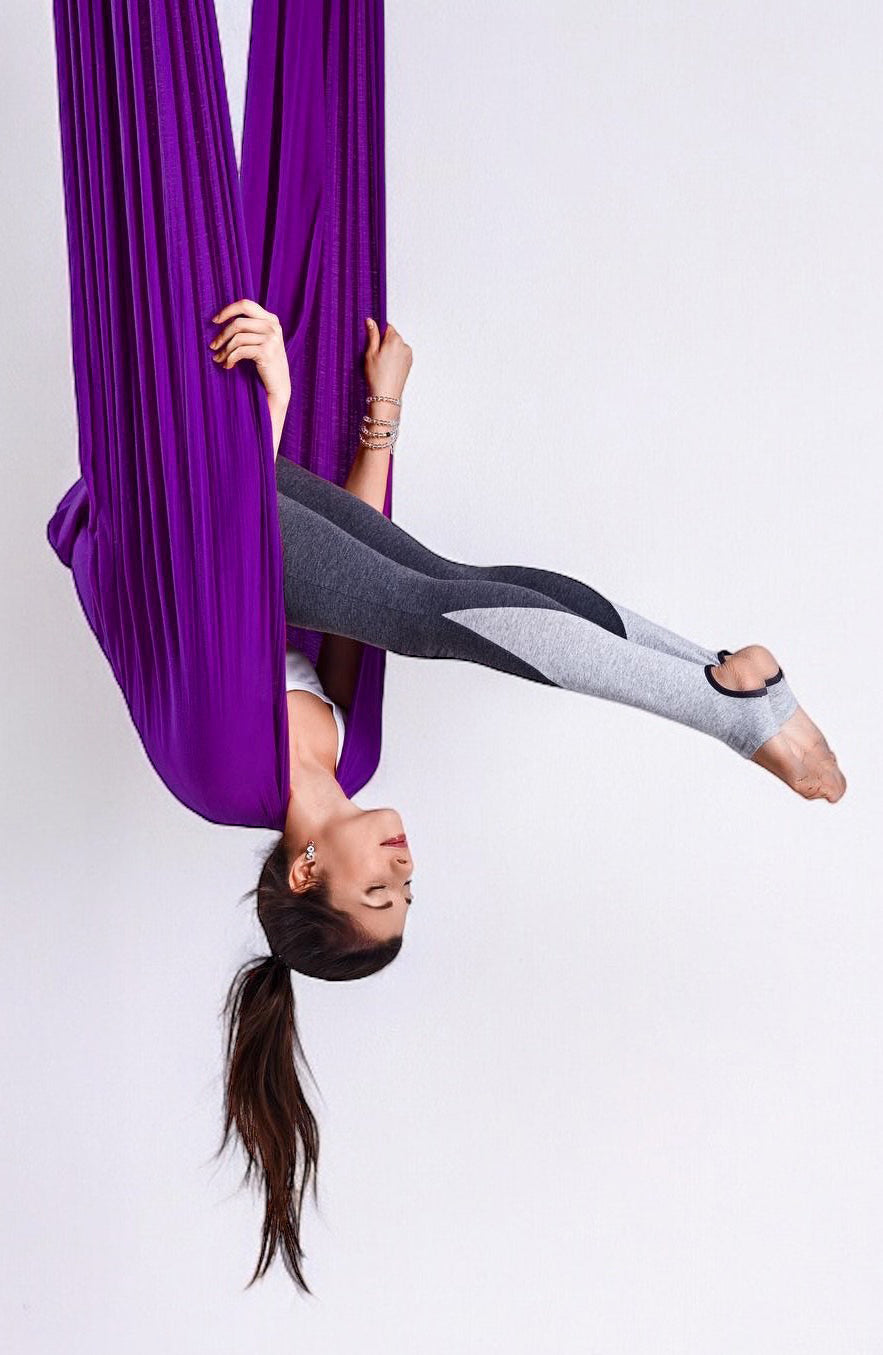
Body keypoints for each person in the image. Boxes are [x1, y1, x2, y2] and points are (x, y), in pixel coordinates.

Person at [207, 298, 846, 1291]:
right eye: (405, 891)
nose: (404, 868)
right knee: (449, 589)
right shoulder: (345, 747)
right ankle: (722, 675)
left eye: (379, 890)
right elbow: (363, 583)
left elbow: (210, 582)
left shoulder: (217, 769)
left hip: (209, 505)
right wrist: (381, 412)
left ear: (305, 870)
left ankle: (724, 706)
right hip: (268, 501)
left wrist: (266, 407)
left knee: (434, 612)